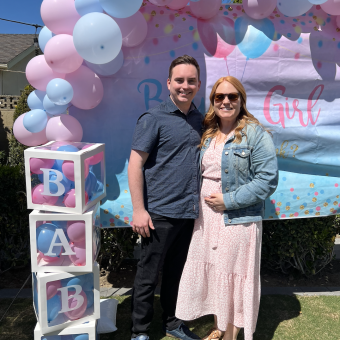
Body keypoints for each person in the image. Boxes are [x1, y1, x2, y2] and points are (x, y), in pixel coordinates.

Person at [175, 76, 278, 340]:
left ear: (241, 100)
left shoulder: (255, 133)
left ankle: (231, 334)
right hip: (206, 218)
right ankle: (221, 327)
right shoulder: (209, 132)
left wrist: (228, 201)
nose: (226, 101)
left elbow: (267, 180)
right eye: (220, 97)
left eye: (232, 96)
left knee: (232, 275)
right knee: (217, 272)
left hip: (237, 217)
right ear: (213, 102)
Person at [128, 55, 203, 340]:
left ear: (198, 84)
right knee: (148, 276)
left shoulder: (200, 119)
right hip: (158, 213)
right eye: (180, 80)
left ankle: (172, 323)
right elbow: (135, 164)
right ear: (169, 83)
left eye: (191, 81)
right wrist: (138, 209)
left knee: (176, 274)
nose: (185, 86)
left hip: (188, 212)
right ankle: (139, 332)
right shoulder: (153, 118)